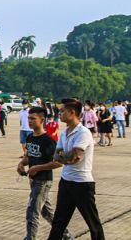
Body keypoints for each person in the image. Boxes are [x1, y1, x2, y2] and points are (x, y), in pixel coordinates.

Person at [47, 100, 104, 240]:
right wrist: (66, 157)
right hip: (66, 182)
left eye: (62, 111)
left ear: (72, 113)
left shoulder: (83, 133)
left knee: (93, 223)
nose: (59, 114)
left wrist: (65, 157)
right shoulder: (64, 133)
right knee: (58, 222)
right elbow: (57, 157)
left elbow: (75, 157)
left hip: (82, 184)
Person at [17, 106, 72, 240]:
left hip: (43, 181)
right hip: (33, 180)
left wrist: (37, 168)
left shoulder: (49, 141)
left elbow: (58, 162)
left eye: (33, 119)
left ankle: (30, 237)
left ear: (42, 120)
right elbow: (30, 156)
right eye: (28, 118)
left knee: (32, 211)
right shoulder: (30, 137)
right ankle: (65, 234)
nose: (29, 121)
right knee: (46, 212)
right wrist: (21, 164)